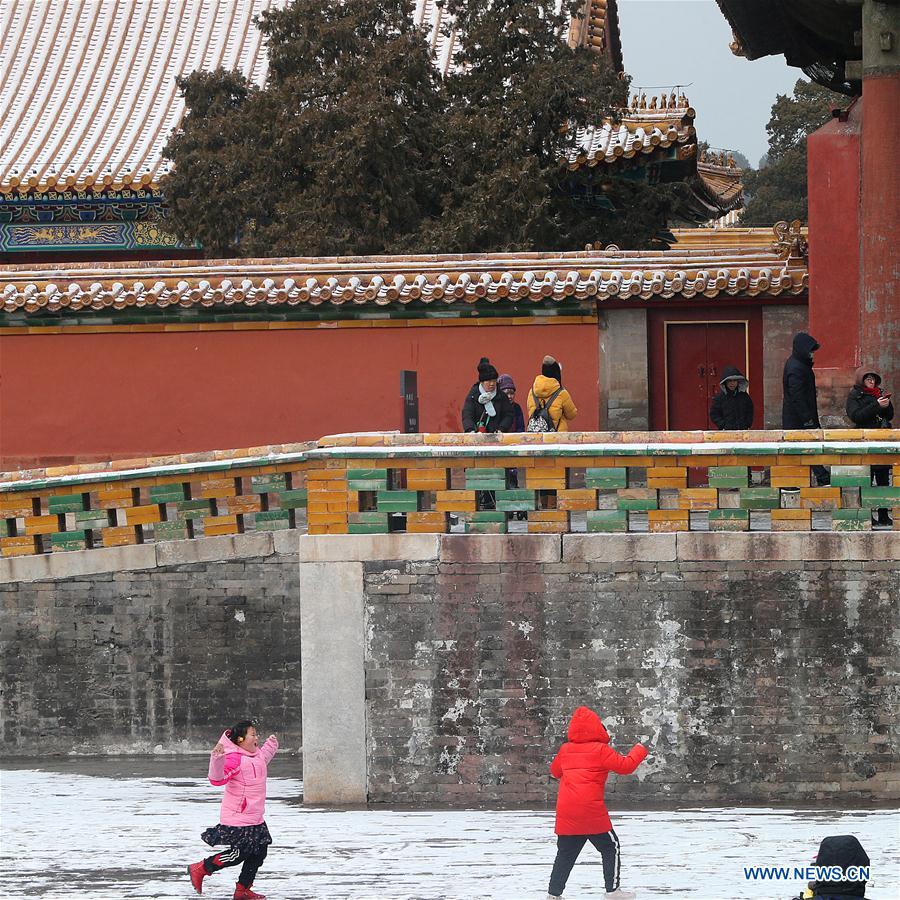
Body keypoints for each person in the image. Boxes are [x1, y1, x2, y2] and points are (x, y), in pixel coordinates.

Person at [547, 706, 648, 899]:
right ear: (597, 728)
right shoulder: (601, 750)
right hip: (590, 810)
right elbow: (625, 767)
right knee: (611, 847)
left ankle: (553, 895)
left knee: (565, 854)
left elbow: (555, 772)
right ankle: (613, 891)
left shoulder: (565, 749)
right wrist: (639, 750)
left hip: (567, 811)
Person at [188, 720, 279, 900]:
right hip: (238, 818)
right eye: (253, 734)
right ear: (240, 739)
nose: (256, 737)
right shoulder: (233, 759)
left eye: (256, 734)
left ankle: (243, 890)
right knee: (238, 854)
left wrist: (272, 745)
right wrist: (217, 760)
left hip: (255, 818)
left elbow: (264, 758)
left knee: (260, 852)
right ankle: (201, 868)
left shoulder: (257, 755)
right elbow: (217, 779)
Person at [846, 367, 894, 527]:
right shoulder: (855, 395)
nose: (872, 382)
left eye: (873, 379)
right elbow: (856, 416)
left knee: (883, 479)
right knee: (867, 479)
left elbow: (890, 415)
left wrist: (886, 405)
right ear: (861, 380)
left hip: (882, 439)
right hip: (865, 441)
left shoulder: (879, 393)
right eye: (868, 379)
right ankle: (867, 514)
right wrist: (876, 406)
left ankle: (883, 514)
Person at [782, 332, 829, 486]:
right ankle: (821, 478)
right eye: (810, 351)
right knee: (807, 449)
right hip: (799, 420)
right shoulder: (796, 367)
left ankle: (815, 478)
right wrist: (808, 420)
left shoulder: (799, 365)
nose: (812, 354)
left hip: (800, 419)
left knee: (806, 449)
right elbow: (798, 397)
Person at [461, 357, 514, 433]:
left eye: (494, 381)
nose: (492, 384)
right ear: (482, 382)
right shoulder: (473, 396)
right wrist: (470, 430)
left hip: (497, 435)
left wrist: (502, 428)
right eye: (489, 381)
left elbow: (508, 415)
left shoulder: (501, 396)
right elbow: (467, 414)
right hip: (477, 435)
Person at [527, 356, 578, 432]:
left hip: (536, 437)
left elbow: (530, 411)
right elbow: (572, 415)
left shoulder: (532, 391)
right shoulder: (561, 393)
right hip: (557, 437)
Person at [709, 365, 754, 430]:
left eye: (734, 381)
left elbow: (750, 411)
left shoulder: (744, 396)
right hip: (726, 432)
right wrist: (723, 425)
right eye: (729, 381)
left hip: (742, 430)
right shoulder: (720, 398)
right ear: (725, 382)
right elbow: (714, 414)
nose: (732, 383)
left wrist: (747, 424)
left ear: (738, 382)